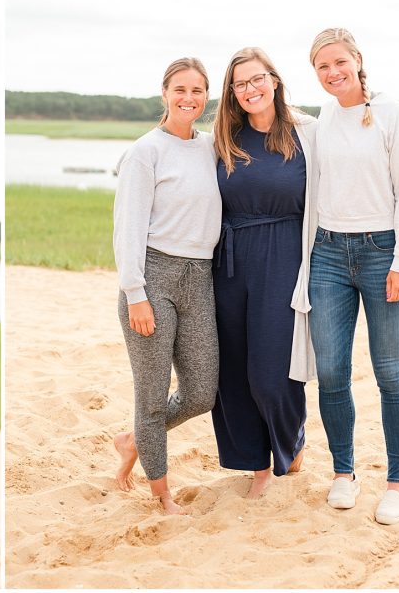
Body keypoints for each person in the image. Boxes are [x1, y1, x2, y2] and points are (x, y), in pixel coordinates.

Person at [307, 27, 399, 526]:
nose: (333, 73)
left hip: (382, 254)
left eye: (339, 62)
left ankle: (396, 484)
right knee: (331, 373)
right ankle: (343, 472)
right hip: (328, 254)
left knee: (390, 372)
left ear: (357, 60)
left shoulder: (394, 115)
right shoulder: (320, 122)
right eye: (321, 67)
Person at [111, 57, 222, 515]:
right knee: (152, 396)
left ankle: (133, 439)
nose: (188, 98)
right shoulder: (144, 151)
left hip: (200, 277)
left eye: (197, 91)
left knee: (202, 392)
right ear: (164, 93)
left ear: (207, 96)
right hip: (152, 279)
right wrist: (135, 292)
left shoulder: (212, 146)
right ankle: (162, 495)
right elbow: (128, 227)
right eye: (180, 89)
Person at [210, 47, 319, 499]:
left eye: (258, 79)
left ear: (274, 80)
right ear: (232, 93)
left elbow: (358, 160)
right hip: (229, 262)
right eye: (240, 83)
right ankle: (255, 465)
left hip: (284, 258)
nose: (250, 89)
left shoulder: (309, 131)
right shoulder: (223, 139)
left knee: (272, 372)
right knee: (231, 371)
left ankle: (290, 444)